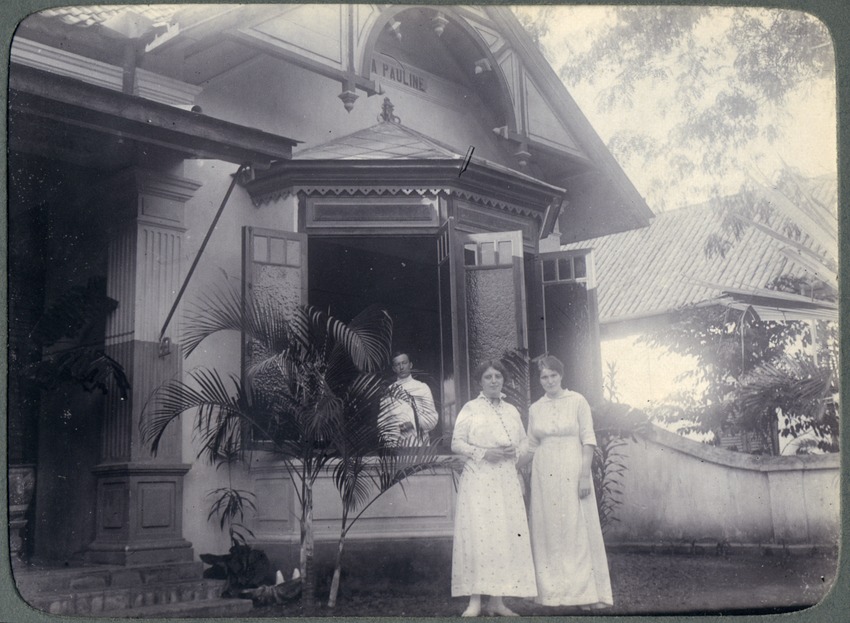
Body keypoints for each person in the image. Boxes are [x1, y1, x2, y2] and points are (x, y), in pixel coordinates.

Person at [451, 359, 537, 617]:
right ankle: (475, 600)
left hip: (505, 480)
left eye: (497, 376)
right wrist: (483, 452)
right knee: (479, 535)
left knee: (502, 536)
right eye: (488, 377)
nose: (493, 381)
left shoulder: (512, 411)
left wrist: (515, 451)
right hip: (479, 478)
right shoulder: (470, 408)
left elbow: (524, 444)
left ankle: (497, 601)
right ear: (480, 381)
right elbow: (456, 442)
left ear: (504, 380)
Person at [526, 355, 613, 609]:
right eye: (544, 376)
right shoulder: (535, 409)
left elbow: (588, 439)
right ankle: (552, 593)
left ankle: (583, 593)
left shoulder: (577, 401)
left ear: (561, 375)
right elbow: (530, 446)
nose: (549, 380)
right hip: (544, 475)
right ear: (539, 380)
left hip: (573, 470)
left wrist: (584, 475)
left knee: (576, 530)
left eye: (553, 375)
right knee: (550, 531)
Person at [379, 351, 438, 446]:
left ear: (410, 365)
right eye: (398, 365)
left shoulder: (422, 388)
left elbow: (432, 419)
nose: (401, 367)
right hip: (396, 447)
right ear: (394, 369)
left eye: (404, 363)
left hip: (419, 445)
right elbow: (383, 423)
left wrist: (412, 424)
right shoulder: (389, 391)